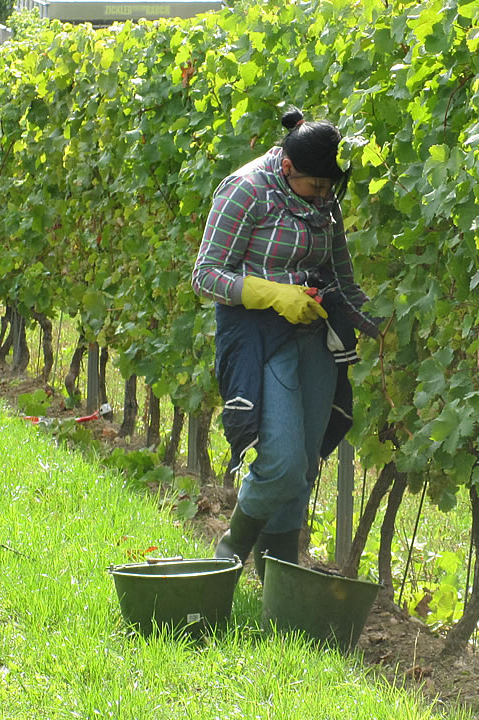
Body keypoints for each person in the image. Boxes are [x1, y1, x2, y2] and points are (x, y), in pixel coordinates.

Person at [192, 108, 379, 578]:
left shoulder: (324, 200)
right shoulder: (247, 190)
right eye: (315, 186)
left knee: (305, 467)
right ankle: (230, 552)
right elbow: (206, 275)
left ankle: (277, 578)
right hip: (259, 334)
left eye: (329, 189)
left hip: (314, 334)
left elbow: (343, 278)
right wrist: (271, 292)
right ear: (288, 167)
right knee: (282, 461)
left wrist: (382, 326)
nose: (323, 198)